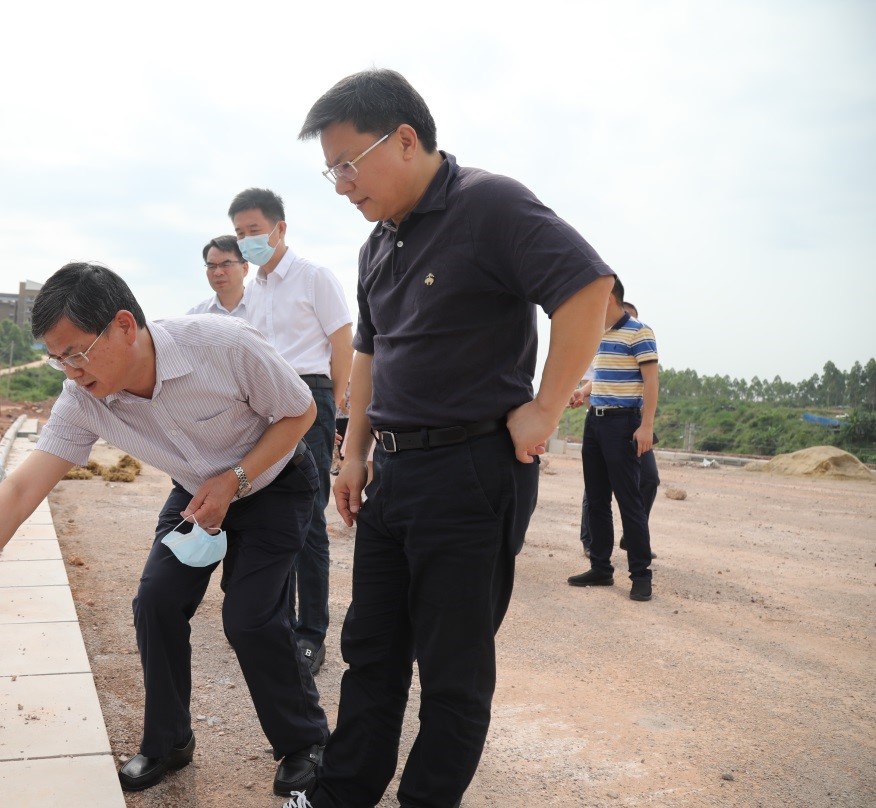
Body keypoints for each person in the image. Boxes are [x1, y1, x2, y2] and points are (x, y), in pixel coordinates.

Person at [0, 262, 329, 796]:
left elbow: (300, 412)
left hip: (272, 483)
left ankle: (304, 742)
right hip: (196, 490)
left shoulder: (223, 345)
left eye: (75, 353)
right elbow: (20, 491)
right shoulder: (82, 400)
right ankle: (169, 740)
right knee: (155, 602)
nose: (69, 372)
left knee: (249, 617)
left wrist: (235, 478)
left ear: (124, 325)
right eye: (56, 358)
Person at [287, 69, 615, 808]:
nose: (342, 185)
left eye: (348, 164)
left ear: (405, 140)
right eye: (331, 171)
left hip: (471, 472)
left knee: (452, 672)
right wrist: (353, 453)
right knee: (371, 651)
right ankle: (343, 793)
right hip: (393, 475)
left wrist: (545, 409)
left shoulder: (489, 204)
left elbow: (587, 287)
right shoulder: (377, 245)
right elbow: (370, 354)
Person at [229, 187, 354, 675]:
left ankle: (310, 632)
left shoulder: (314, 276)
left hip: (310, 395)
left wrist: (332, 406)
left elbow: (342, 343)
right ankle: (275, 620)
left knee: (308, 519)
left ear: (280, 228)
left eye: (254, 230)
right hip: (265, 402)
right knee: (269, 512)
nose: (247, 240)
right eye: (239, 233)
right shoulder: (254, 290)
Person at [568, 279, 660, 601]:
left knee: (629, 500)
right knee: (596, 499)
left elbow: (651, 381)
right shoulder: (599, 333)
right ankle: (601, 567)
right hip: (595, 423)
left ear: (607, 297)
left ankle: (641, 574)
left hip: (623, 424)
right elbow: (602, 376)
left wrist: (646, 426)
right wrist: (583, 392)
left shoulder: (639, 332)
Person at [187, 234, 251, 316]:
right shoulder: (196, 316)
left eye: (226, 264)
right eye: (211, 266)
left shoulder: (263, 308)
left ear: (245, 268)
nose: (218, 272)